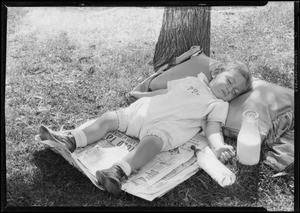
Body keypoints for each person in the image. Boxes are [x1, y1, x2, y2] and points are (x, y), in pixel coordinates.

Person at [38, 61, 252, 196]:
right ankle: (72, 139)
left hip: (164, 128)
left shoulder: (218, 105)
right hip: (140, 114)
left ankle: (118, 171)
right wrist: (141, 95)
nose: (229, 90)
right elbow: (163, 94)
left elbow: (213, 128)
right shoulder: (191, 81)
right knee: (108, 118)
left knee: (151, 145)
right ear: (216, 74)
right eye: (229, 81)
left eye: (235, 91)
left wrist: (219, 147)